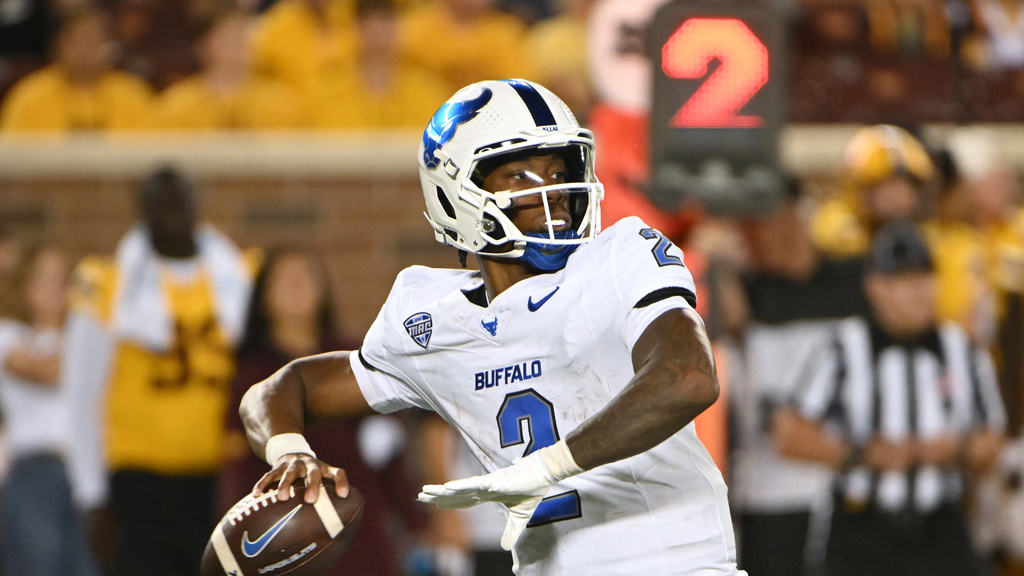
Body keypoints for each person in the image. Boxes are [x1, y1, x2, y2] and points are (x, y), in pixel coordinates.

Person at [239, 79, 744, 575]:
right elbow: (277, 390)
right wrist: (289, 452)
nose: (552, 192)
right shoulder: (431, 319)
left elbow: (688, 377)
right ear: (456, 197)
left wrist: (547, 468)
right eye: (520, 176)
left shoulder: (620, 257)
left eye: (557, 170)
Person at [774, 221, 1006, 576]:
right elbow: (789, 434)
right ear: (875, 287)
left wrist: (956, 450)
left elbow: (993, 439)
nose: (918, 293)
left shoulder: (963, 350)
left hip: (940, 527)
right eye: (903, 281)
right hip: (861, 529)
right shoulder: (843, 346)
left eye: (924, 279)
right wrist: (863, 454)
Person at [63, 166, 253, 576]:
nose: (170, 209)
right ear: (141, 209)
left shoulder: (241, 275)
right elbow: (81, 392)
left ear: (197, 204)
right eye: (158, 200)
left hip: (219, 475)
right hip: (138, 479)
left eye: (177, 198)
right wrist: (91, 495)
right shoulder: (107, 281)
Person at [219, 247, 427, 576]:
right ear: (262, 297)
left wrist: (419, 522)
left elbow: (389, 457)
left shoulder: (354, 359)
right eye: (285, 279)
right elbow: (239, 469)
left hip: (358, 526)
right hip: (288, 535)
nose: (298, 286)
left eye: (306, 276)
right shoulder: (253, 376)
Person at [0, 243, 99, 576]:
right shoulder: (9, 335)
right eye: (46, 278)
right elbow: (48, 374)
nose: (57, 287)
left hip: (87, 472)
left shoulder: (87, 333)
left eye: (63, 278)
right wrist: (89, 328)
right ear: (25, 286)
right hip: (36, 471)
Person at [0, 2, 154, 132]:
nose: (87, 48)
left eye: (94, 39)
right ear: (58, 45)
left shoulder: (133, 96)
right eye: (79, 39)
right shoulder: (29, 98)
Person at [155, 4, 303, 130]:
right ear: (203, 45)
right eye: (228, 38)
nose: (239, 45)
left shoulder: (283, 104)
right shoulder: (177, 106)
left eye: (242, 35)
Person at [308, 0, 449, 129]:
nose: (376, 28)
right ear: (354, 25)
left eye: (386, 18)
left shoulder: (427, 93)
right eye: (367, 19)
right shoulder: (327, 93)